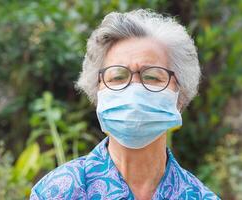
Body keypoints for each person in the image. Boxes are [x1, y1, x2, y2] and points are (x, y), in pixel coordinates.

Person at [30, 9, 220, 200]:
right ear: (97, 91)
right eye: (118, 77)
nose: (134, 89)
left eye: (152, 77)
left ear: (180, 94)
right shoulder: (56, 192)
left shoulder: (199, 196)